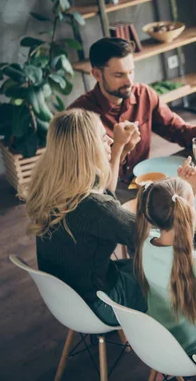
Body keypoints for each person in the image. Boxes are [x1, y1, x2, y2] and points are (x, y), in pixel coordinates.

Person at [25, 109, 146, 325]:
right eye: (102, 137)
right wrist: (186, 194)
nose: (110, 139)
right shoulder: (93, 207)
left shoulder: (50, 188)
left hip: (67, 300)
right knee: (171, 277)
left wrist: (117, 149)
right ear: (87, 150)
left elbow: (103, 192)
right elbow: (146, 235)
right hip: (100, 305)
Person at [68, 37, 196, 178]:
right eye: (119, 75)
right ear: (96, 74)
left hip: (145, 183)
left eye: (131, 72)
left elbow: (179, 133)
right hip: (107, 194)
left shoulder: (144, 94)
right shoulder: (77, 116)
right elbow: (85, 178)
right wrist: (120, 149)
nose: (129, 81)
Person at [133, 177, 196, 363]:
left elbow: (175, 206)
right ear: (188, 213)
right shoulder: (194, 263)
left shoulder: (145, 243)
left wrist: (191, 195)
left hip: (161, 343)